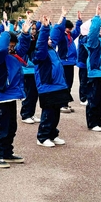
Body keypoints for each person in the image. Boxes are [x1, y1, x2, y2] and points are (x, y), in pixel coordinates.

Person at [0, 12, 28, 168]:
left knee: (11, 127)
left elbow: (23, 47)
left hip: (13, 95)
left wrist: (24, 33)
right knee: (1, 127)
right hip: (2, 95)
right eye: (9, 45)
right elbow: (0, 49)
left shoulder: (14, 56)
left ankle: (6, 152)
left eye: (12, 45)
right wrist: (4, 32)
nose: (11, 47)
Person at [33, 12, 70, 147]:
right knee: (48, 113)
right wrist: (45, 28)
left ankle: (52, 134)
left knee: (56, 113)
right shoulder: (40, 52)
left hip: (58, 85)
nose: (50, 39)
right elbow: (43, 41)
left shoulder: (51, 48)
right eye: (47, 38)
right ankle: (42, 137)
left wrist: (62, 18)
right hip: (47, 85)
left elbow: (56, 33)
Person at [59, 13, 82, 113]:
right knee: (65, 83)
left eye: (70, 29)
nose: (69, 30)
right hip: (64, 61)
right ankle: (62, 104)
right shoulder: (61, 36)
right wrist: (62, 19)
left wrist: (79, 21)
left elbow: (77, 31)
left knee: (69, 83)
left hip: (70, 62)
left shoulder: (70, 36)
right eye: (68, 28)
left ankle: (66, 103)